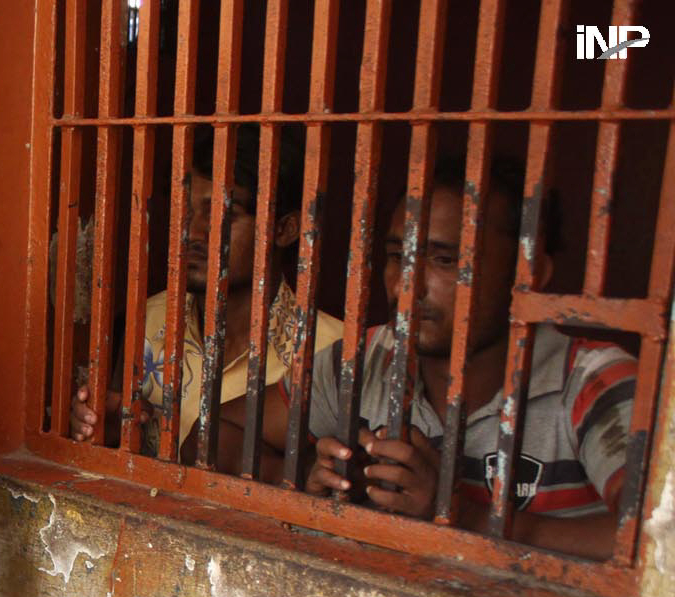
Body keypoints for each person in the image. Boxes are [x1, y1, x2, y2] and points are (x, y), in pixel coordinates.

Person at [265, 154, 634, 560]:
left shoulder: (592, 381)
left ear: (529, 275)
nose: (408, 285)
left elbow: (659, 541)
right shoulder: (363, 359)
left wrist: (463, 520)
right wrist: (306, 480)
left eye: (445, 260)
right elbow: (223, 436)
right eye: (396, 256)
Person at [69, 124, 344, 454]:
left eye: (223, 215)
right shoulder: (146, 320)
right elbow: (111, 444)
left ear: (285, 230)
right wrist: (100, 429)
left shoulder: (330, 353)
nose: (193, 232)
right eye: (186, 209)